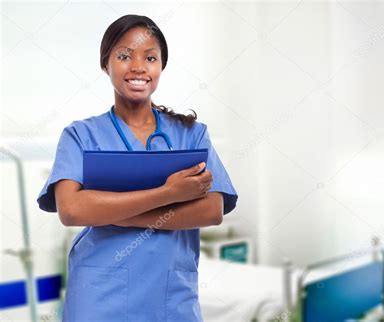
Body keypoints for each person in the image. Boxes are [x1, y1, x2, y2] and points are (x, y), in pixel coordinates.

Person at [37, 14, 237, 322]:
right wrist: (169, 193)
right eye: (124, 56)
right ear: (106, 64)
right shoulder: (80, 135)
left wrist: (111, 213)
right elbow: (72, 210)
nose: (138, 67)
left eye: (150, 57)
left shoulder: (191, 134)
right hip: (99, 295)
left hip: (169, 296)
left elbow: (212, 209)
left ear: (161, 67)